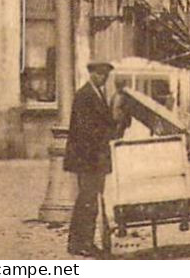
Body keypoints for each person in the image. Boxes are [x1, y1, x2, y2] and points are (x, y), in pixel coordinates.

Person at [65, 60, 126, 258]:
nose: (103, 78)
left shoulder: (98, 94)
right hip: (88, 158)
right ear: (92, 74)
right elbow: (86, 130)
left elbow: (104, 122)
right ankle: (81, 243)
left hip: (94, 158)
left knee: (89, 200)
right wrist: (106, 136)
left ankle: (82, 241)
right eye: (100, 75)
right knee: (87, 201)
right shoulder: (85, 95)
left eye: (105, 76)